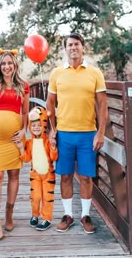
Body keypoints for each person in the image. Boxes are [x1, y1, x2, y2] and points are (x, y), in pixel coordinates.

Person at [46, 32, 108, 234]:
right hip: (64, 134)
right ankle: (68, 215)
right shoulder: (56, 73)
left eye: (76, 44)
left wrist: (100, 133)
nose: (73, 47)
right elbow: (50, 104)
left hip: (88, 134)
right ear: (65, 48)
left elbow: (103, 105)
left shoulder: (95, 73)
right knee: (64, 176)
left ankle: (85, 215)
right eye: (69, 45)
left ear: (83, 47)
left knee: (86, 177)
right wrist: (52, 130)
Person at [0, 48, 30, 240]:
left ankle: (9, 213)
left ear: (15, 65)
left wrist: (23, 130)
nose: (7, 66)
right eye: (3, 63)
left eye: (10, 63)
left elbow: (26, 112)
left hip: (14, 138)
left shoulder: (23, 86)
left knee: (14, 174)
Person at [15, 106, 58, 231]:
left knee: (47, 197)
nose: (36, 128)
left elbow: (54, 157)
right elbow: (26, 158)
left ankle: (47, 218)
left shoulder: (48, 141)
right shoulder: (29, 142)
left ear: (44, 125)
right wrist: (20, 148)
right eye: (33, 126)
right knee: (36, 196)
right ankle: (35, 215)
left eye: (39, 125)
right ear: (29, 126)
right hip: (35, 175)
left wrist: (54, 146)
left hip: (48, 175)